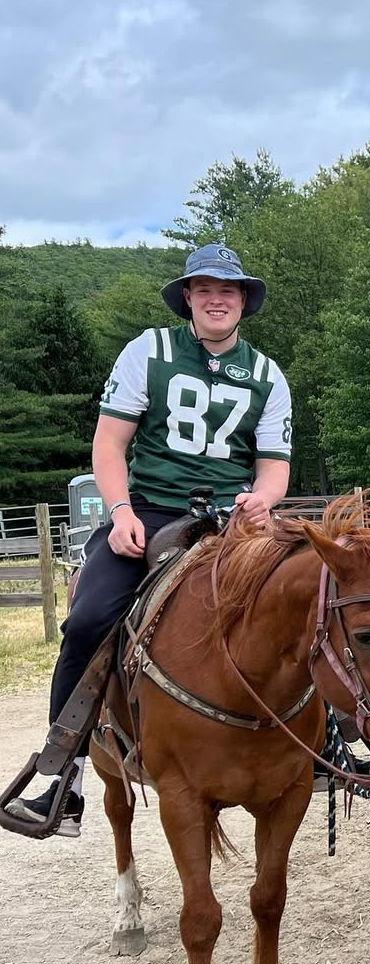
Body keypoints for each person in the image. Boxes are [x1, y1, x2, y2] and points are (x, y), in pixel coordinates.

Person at [7, 244, 292, 836]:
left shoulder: (268, 375)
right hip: (150, 513)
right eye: (205, 289)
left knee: (310, 600)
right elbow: (110, 444)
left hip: (234, 522)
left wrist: (263, 500)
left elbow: (274, 466)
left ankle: (331, 742)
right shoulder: (150, 350)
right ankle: (65, 777)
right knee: (89, 621)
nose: (217, 299)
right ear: (188, 297)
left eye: (229, 290)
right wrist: (119, 512)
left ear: (244, 301)